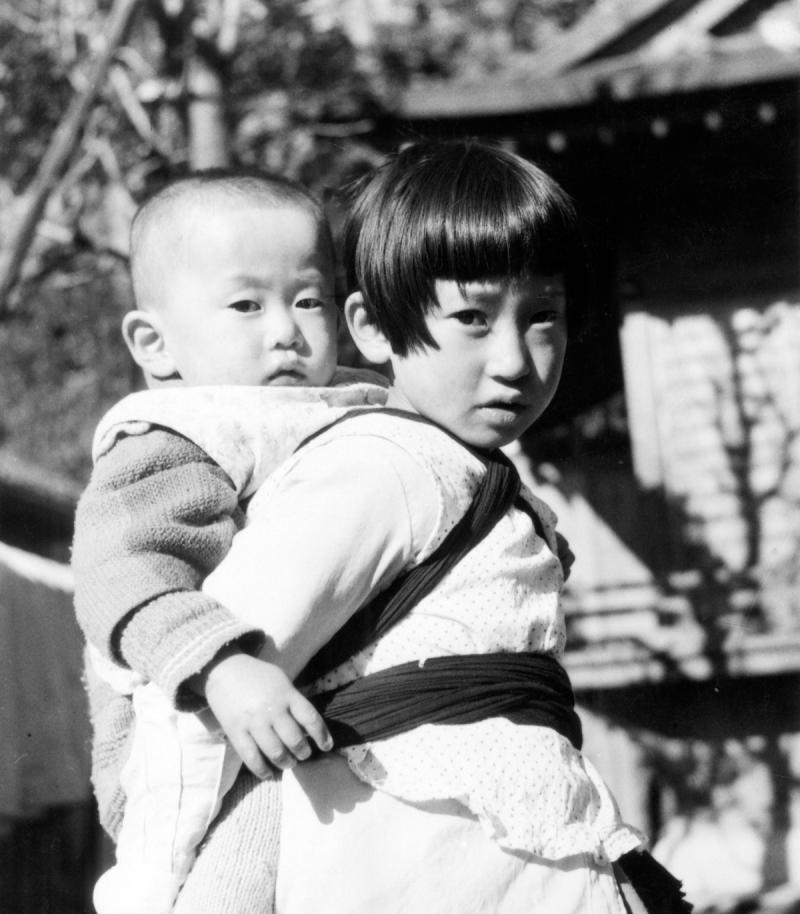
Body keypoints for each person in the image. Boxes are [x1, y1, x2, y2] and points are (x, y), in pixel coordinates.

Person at [171, 139, 692, 913]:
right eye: (473, 317)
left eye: (542, 316)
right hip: (408, 864)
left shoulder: (471, 473)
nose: (516, 358)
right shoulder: (381, 467)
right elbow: (211, 681)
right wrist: (158, 879)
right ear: (375, 328)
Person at [72, 168, 388, 914]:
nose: (286, 329)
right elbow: (125, 572)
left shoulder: (351, 403)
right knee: (201, 874)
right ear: (154, 342)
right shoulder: (180, 434)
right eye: (247, 304)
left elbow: (424, 466)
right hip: (189, 715)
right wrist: (218, 668)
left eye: (308, 300)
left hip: (311, 707)